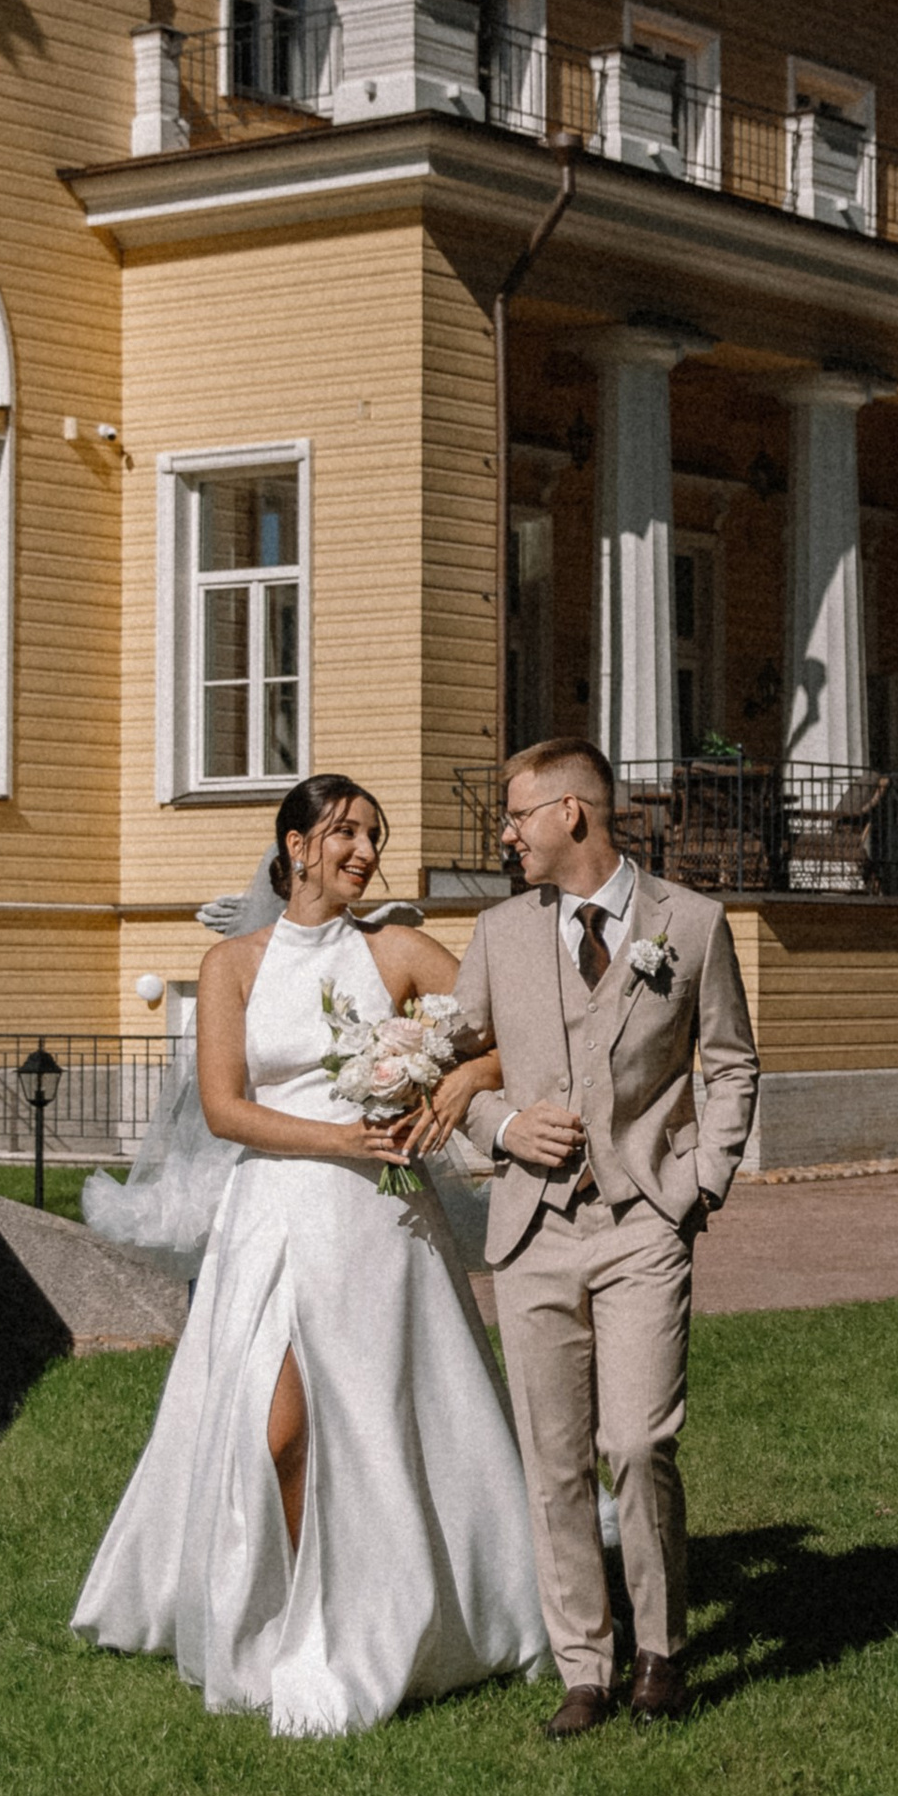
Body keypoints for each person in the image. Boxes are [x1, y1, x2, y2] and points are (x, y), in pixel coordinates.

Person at [72, 772, 549, 1735]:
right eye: (343, 833)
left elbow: (513, 1039)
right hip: (275, 1212)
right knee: (277, 1430)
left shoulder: (400, 950)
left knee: (380, 1421)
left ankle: (391, 1620)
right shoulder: (232, 966)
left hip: (380, 1225)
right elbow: (224, 1107)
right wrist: (339, 1138)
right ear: (294, 846)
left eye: (373, 834)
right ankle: (294, 1614)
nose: (363, 851)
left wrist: (451, 1090)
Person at [414, 739, 758, 1736]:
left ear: (573, 814)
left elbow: (730, 1060)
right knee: (552, 1456)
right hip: (530, 1228)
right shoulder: (497, 933)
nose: (505, 833)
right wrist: (499, 1128)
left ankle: (661, 1649)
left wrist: (702, 1180)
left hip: (645, 1218)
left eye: (518, 815)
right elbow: (455, 1062)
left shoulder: (689, 926)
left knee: (640, 1441)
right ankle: (585, 1667)